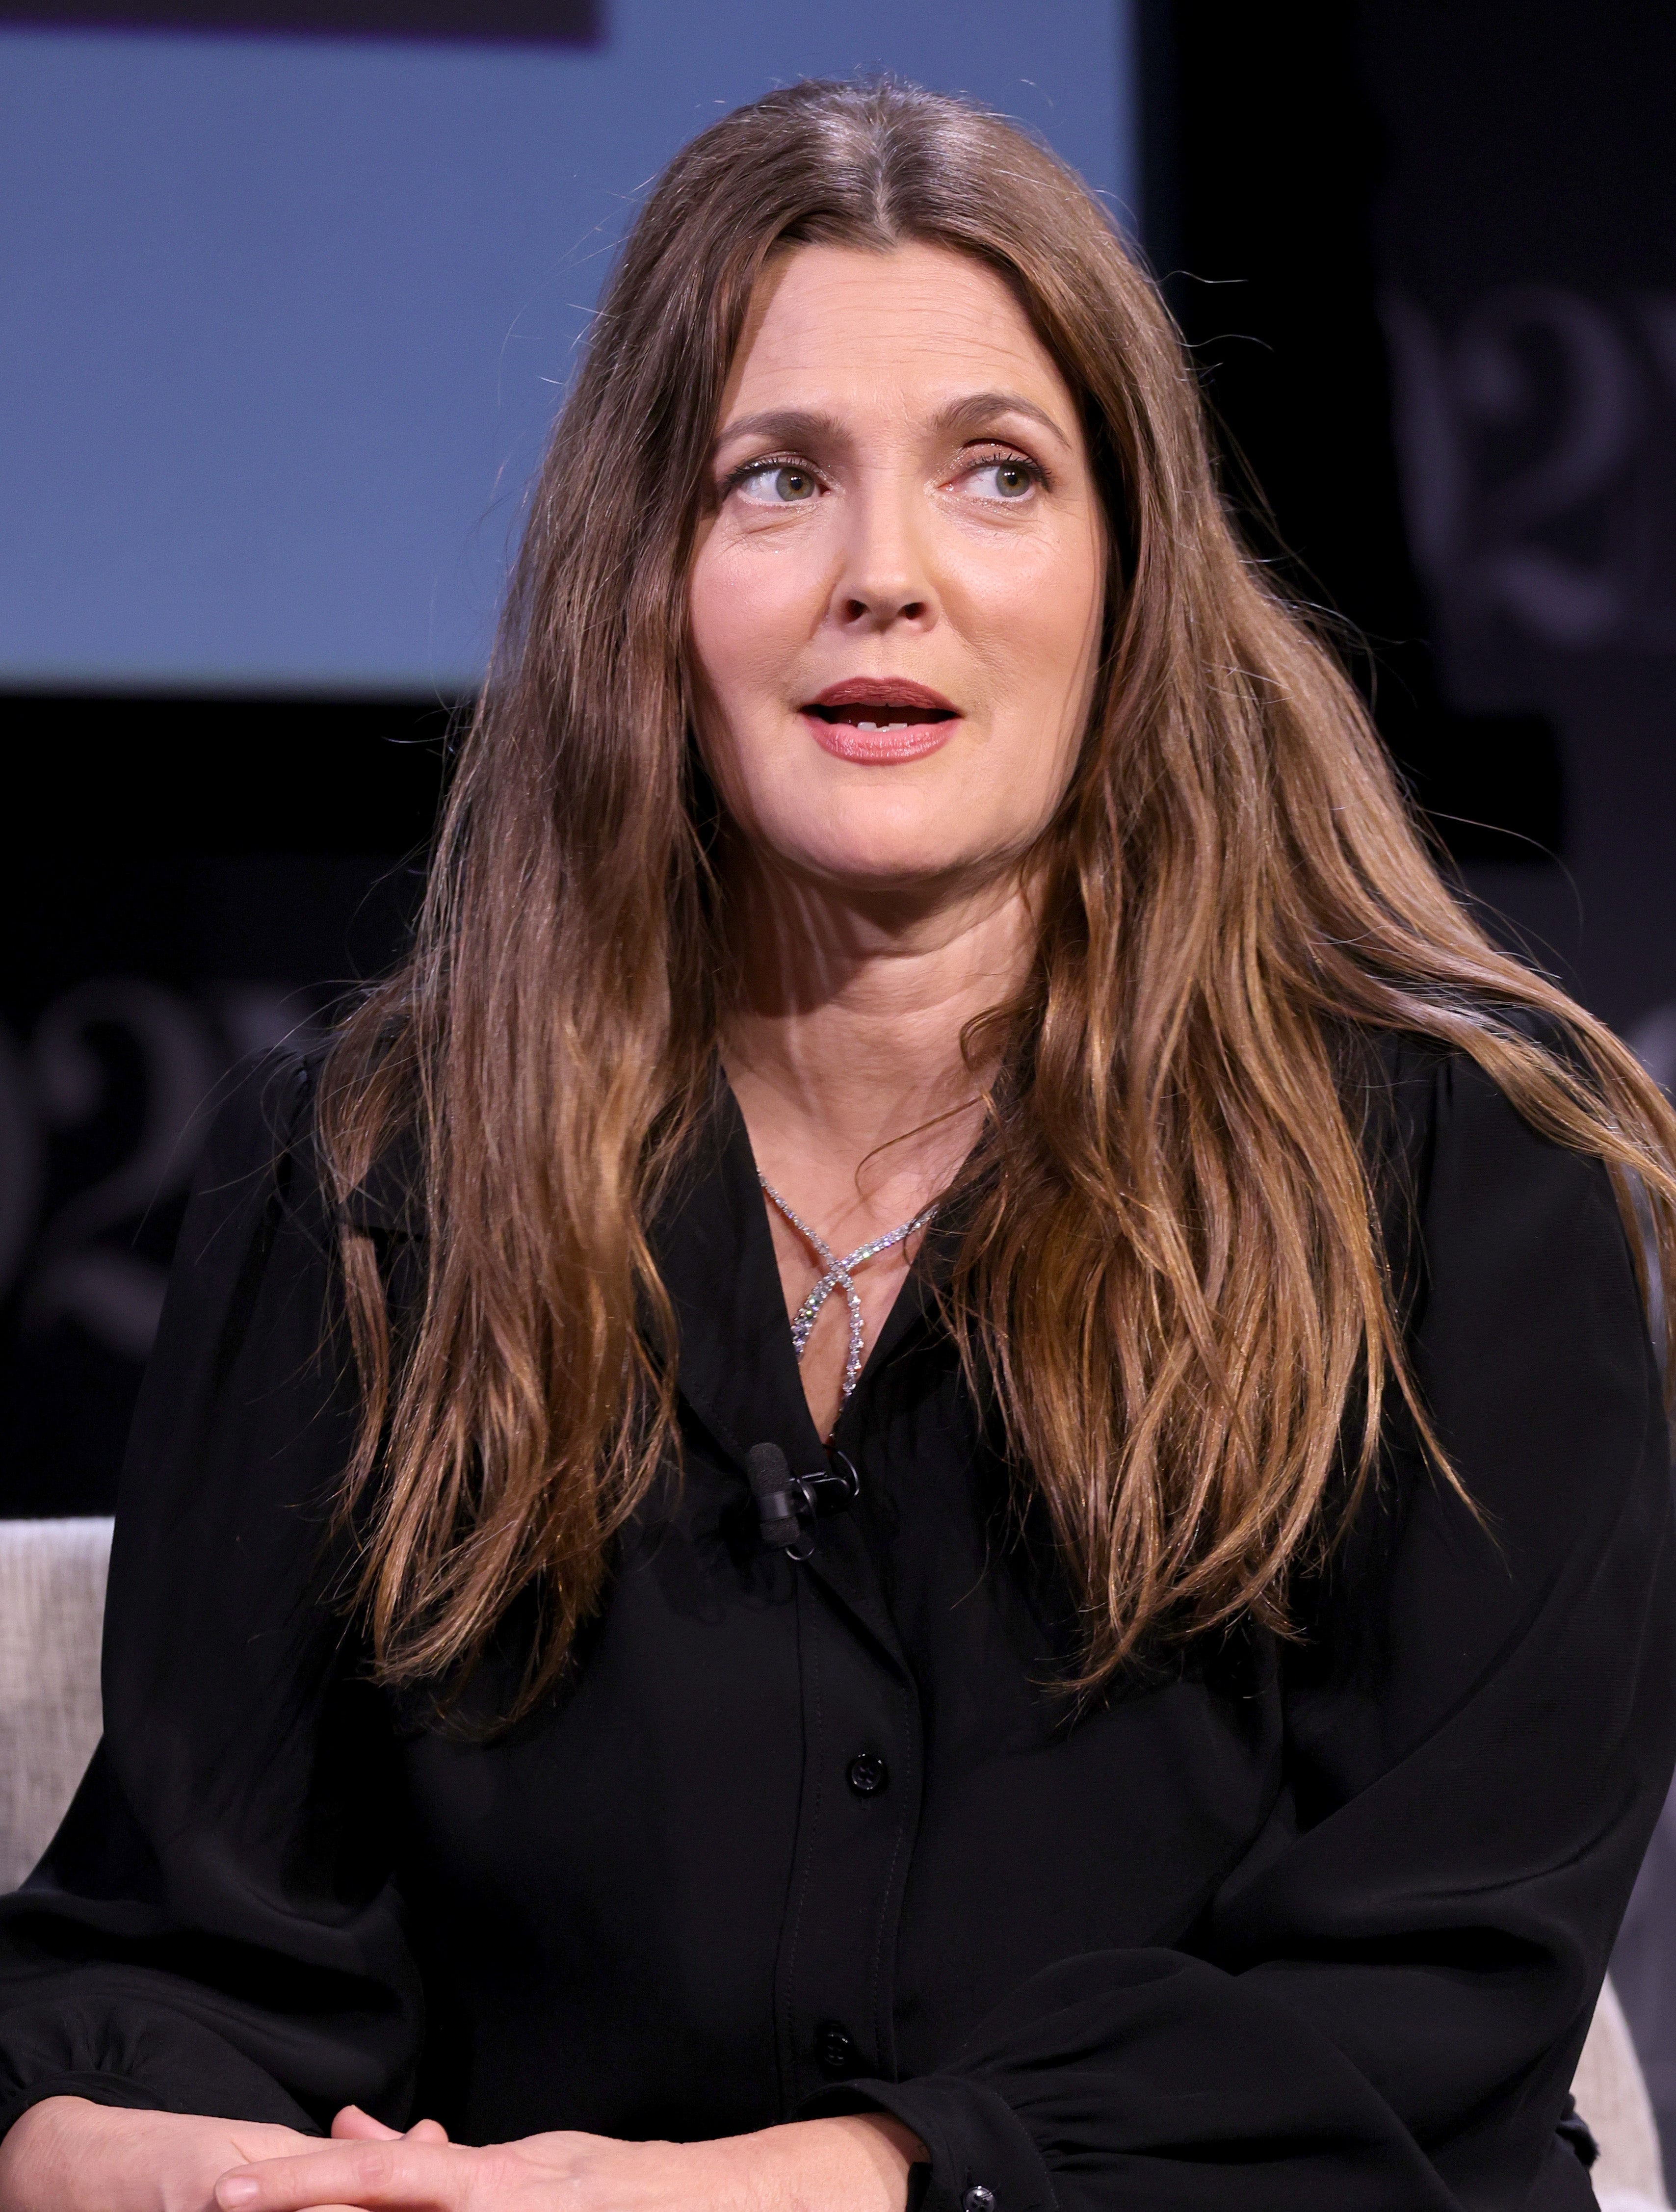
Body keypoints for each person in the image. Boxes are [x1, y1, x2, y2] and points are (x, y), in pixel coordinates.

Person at [1, 75, 1674, 2212]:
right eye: (776, 479)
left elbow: (1428, 1993)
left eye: (996, 473)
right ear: (647, 583)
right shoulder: (367, 1186)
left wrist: (828, 2179)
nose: (884, 578)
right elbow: (206, 1951)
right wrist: (121, 2154)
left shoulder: (1456, 1183)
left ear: (1131, 576)